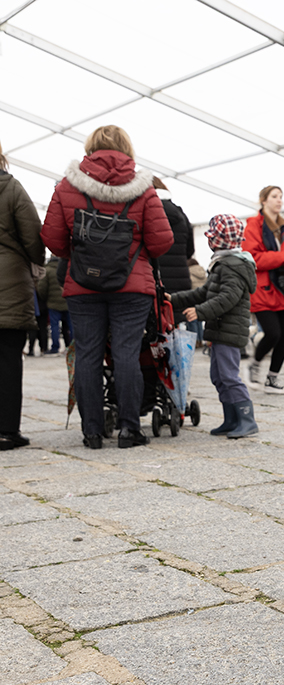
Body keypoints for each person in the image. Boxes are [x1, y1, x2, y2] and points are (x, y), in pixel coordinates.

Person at [41, 125, 174, 449]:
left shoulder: (66, 186)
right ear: (126, 148)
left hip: (83, 286)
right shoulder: (143, 188)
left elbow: (54, 241)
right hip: (131, 286)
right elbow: (161, 242)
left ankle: (92, 432)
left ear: (91, 147)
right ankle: (130, 429)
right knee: (127, 354)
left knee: (87, 355)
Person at [167, 214, 259, 439]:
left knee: (229, 376)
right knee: (218, 376)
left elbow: (228, 297)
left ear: (219, 241)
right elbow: (204, 293)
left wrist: (200, 312)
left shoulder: (233, 266)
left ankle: (247, 420)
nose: (209, 241)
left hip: (229, 331)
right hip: (220, 330)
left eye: (212, 238)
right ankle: (231, 419)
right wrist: (174, 299)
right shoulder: (221, 264)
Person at [0, 143, 44, 450]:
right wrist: (35, 261)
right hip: (10, 281)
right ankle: (5, 431)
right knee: (7, 360)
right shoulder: (11, 187)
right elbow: (32, 234)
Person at [241, 185, 284, 395]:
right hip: (262, 288)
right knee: (273, 333)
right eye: (274, 196)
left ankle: (272, 379)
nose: (279, 200)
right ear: (263, 200)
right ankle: (254, 364)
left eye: (281, 197)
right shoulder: (253, 225)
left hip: (283, 288)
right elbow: (253, 257)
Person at [151, 177, 195, 298]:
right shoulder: (181, 214)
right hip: (181, 279)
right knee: (178, 315)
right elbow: (190, 251)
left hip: (155, 279)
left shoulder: (146, 213)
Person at [36, 255, 72, 354]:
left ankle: (55, 347)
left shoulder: (47, 270)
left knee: (54, 326)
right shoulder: (68, 267)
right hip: (67, 302)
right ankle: (73, 347)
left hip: (53, 304)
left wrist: (46, 299)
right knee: (70, 326)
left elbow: (42, 288)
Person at [187, 257, 206, 346]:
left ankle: (194, 341)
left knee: (192, 319)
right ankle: (200, 340)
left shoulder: (188, 272)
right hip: (202, 298)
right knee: (199, 320)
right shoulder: (202, 272)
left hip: (193, 298)